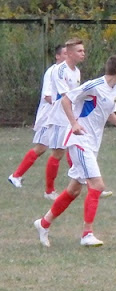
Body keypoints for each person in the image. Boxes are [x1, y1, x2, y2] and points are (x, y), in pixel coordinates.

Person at [33, 55, 116, 248]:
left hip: (93, 143)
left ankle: (43, 223)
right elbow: (66, 100)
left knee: (74, 190)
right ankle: (87, 234)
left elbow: (107, 111)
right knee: (97, 185)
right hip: (79, 140)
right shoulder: (93, 85)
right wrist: (74, 124)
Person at [8, 44, 67, 199]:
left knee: (69, 146)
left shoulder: (68, 72)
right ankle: (17, 176)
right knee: (43, 148)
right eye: (65, 53)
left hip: (59, 117)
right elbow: (47, 96)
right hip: (49, 117)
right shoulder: (53, 72)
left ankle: (88, 181)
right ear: (57, 56)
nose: (68, 56)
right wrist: (62, 106)